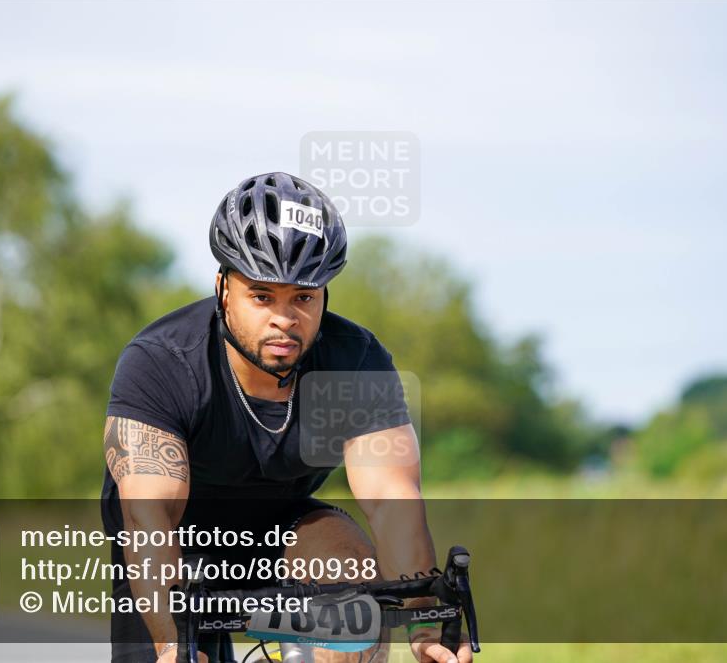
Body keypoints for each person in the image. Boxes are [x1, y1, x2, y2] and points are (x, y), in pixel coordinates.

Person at [101, 172, 471, 663]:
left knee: (353, 599)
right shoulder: (163, 361)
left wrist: (426, 621)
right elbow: (149, 518)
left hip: (284, 527)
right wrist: (172, 643)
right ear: (222, 288)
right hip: (175, 538)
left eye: (303, 298)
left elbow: (394, 503)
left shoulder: (352, 362)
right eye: (261, 296)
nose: (284, 319)